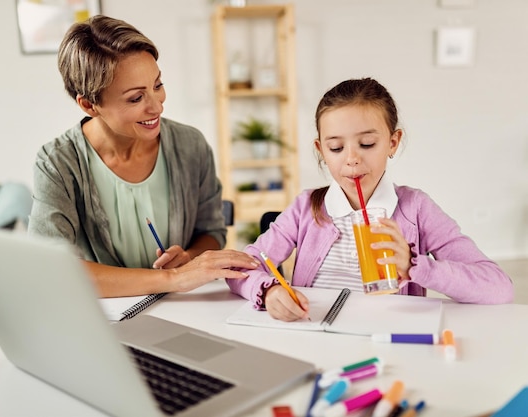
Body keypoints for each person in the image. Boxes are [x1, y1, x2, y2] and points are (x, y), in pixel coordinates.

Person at [227, 77, 514, 321]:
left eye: (367, 144)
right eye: (336, 147)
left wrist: (416, 266)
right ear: (321, 150)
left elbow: (499, 288)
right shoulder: (306, 207)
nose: (352, 159)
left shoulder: (416, 209)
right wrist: (269, 291)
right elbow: (240, 268)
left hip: (388, 340)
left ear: (392, 142)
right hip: (314, 337)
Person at [28, 15, 258, 297]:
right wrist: (173, 278)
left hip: (185, 309)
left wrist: (190, 258)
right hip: (106, 321)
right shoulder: (58, 163)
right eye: (136, 98)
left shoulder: (190, 145)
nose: (157, 106)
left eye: (158, 86)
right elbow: (51, 271)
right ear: (89, 105)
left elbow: (211, 231)